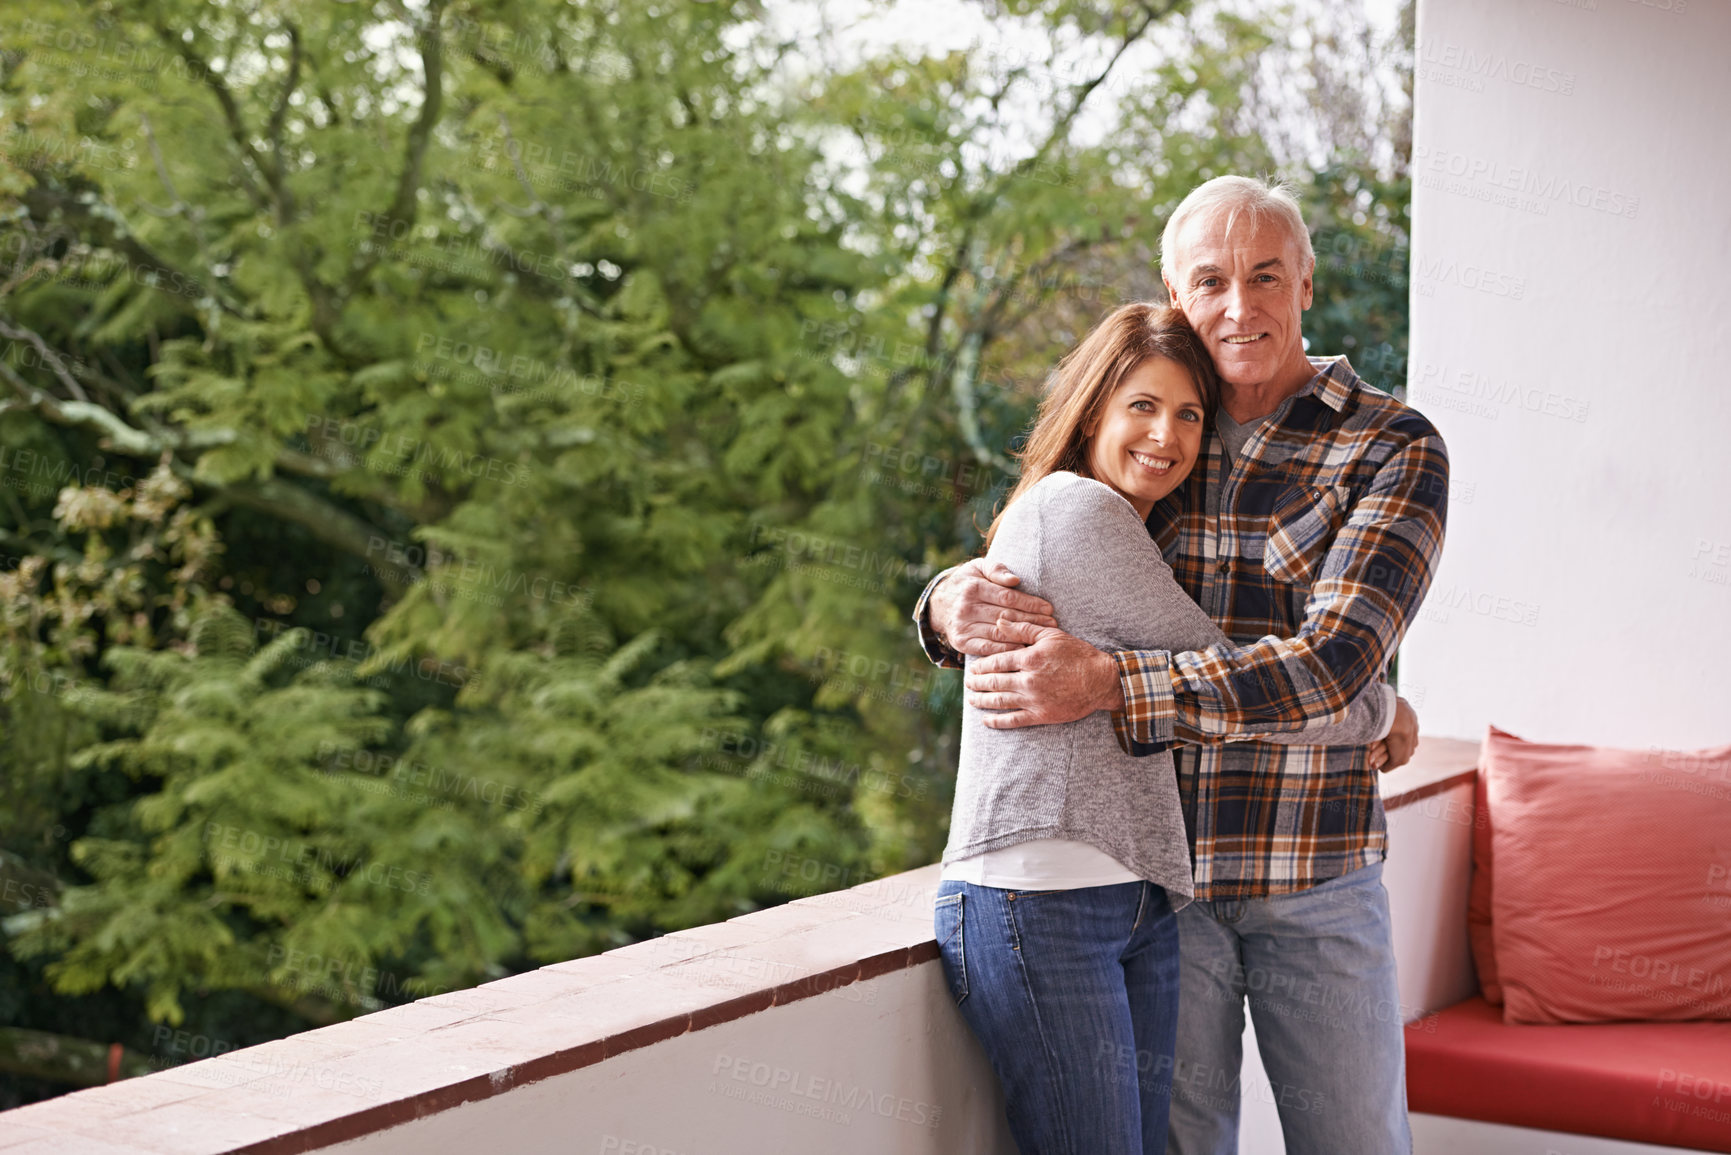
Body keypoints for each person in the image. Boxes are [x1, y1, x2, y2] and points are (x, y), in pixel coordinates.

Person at [920, 176, 1449, 1155]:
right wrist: (947, 603)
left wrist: (1120, 683)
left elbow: (1332, 666)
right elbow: (1043, 540)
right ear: (1173, 290)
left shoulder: (1389, 445)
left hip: (1312, 871)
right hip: (1163, 888)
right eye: (1210, 281)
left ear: (1306, 285)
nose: (1238, 307)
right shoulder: (1163, 427)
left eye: (1265, 277)